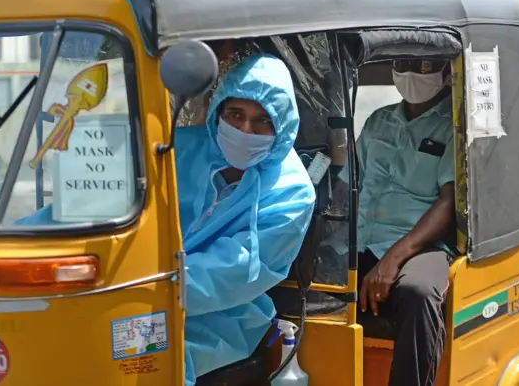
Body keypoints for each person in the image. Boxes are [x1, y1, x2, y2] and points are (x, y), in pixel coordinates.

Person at [175, 54, 315, 385]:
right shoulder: (178, 150)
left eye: (262, 121)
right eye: (235, 115)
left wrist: (155, 287)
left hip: (225, 315)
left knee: (148, 361)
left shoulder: (293, 193)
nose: (244, 130)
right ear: (217, 112)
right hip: (133, 290)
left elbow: (235, 273)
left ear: (281, 127)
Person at [335, 58, 455, 386]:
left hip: (420, 244)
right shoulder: (378, 121)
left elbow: (448, 203)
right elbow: (347, 185)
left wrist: (393, 259)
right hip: (359, 237)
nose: (414, 72)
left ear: (447, 71)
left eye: (427, 64)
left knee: (419, 292)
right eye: (404, 63)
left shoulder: (454, 125)